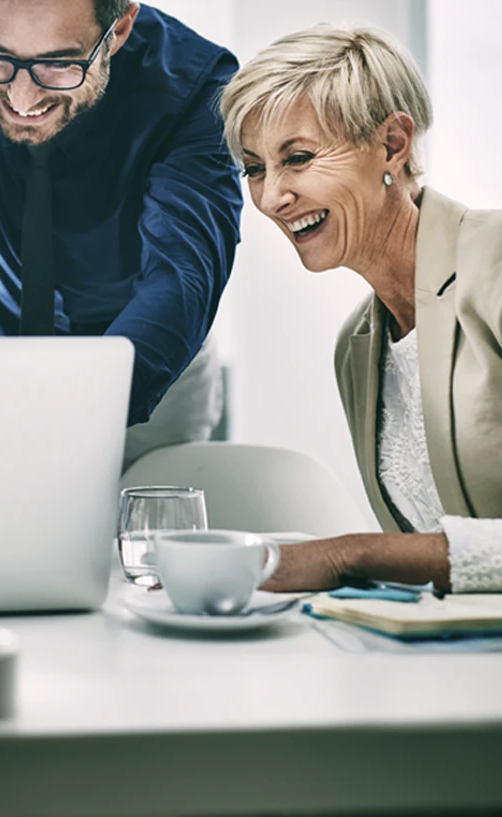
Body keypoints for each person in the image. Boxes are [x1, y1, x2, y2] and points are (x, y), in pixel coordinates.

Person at [0, 0, 242, 465]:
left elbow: (181, 278)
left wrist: (68, 418)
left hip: (149, 371)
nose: (23, 99)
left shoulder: (199, 84)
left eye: (59, 64)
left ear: (121, 26)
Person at [220, 24, 502, 593]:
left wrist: (350, 555)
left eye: (297, 158)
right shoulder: (357, 347)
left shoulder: (494, 260)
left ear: (393, 145)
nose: (272, 197)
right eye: (254, 168)